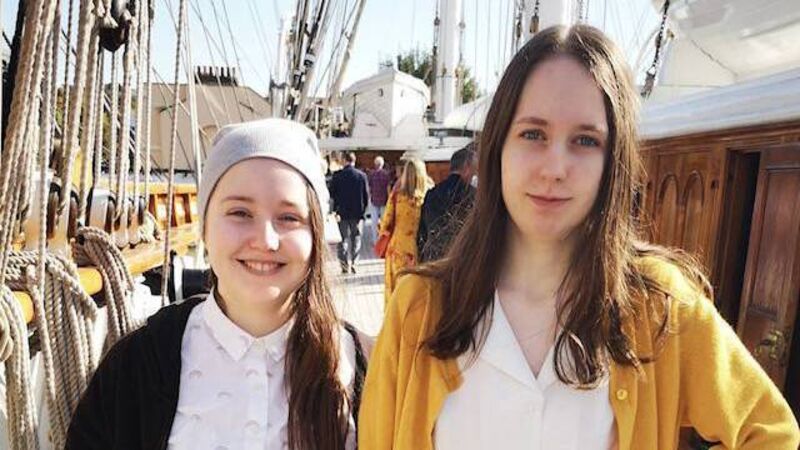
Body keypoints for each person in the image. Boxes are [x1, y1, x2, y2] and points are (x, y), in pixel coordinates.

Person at [359, 25, 800, 450]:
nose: (555, 168)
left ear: (613, 161)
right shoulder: (418, 309)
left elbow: (770, 433)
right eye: (533, 134)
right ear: (498, 148)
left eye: (586, 141)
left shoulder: (657, 307)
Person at [67, 119, 366, 450]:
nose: (265, 240)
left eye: (288, 218)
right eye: (240, 213)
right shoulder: (139, 365)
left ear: (315, 236)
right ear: (205, 228)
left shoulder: (361, 366)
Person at [377, 157, 429, 306]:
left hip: (397, 249)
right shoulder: (426, 198)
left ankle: (394, 317)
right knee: (413, 290)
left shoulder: (397, 196)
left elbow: (385, 223)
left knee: (395, 290)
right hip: (417, 250)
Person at [416, 143, 477, 262]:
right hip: (462, 258)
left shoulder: (432, 193)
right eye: (474, 169)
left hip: (434, 257)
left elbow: (422, 230)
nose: (475, 173)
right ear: (467, 166)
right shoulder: (472, 195)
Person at [330, 152, 369, 274]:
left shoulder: (337, 176)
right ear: (354, 160)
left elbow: (332, 194)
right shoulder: (362, 176)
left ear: (344, 160)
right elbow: (366, 195)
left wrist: (334, 210)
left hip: (341, 213)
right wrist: (364, 211)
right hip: (357, 213)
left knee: (342, 239)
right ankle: (354, 263)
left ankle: (344, 265)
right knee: (356, 238)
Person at [367, 156, 391, 239]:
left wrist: (369, 198)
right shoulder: (386, 174)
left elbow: (369, 188)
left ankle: (375, 240)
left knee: (374, 222)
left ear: (375, 164)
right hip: (384, 201)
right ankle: (382, 239)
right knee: (384, 222)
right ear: (382, 164)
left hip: (374, 200)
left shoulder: (371, 174)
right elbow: (388, 188)